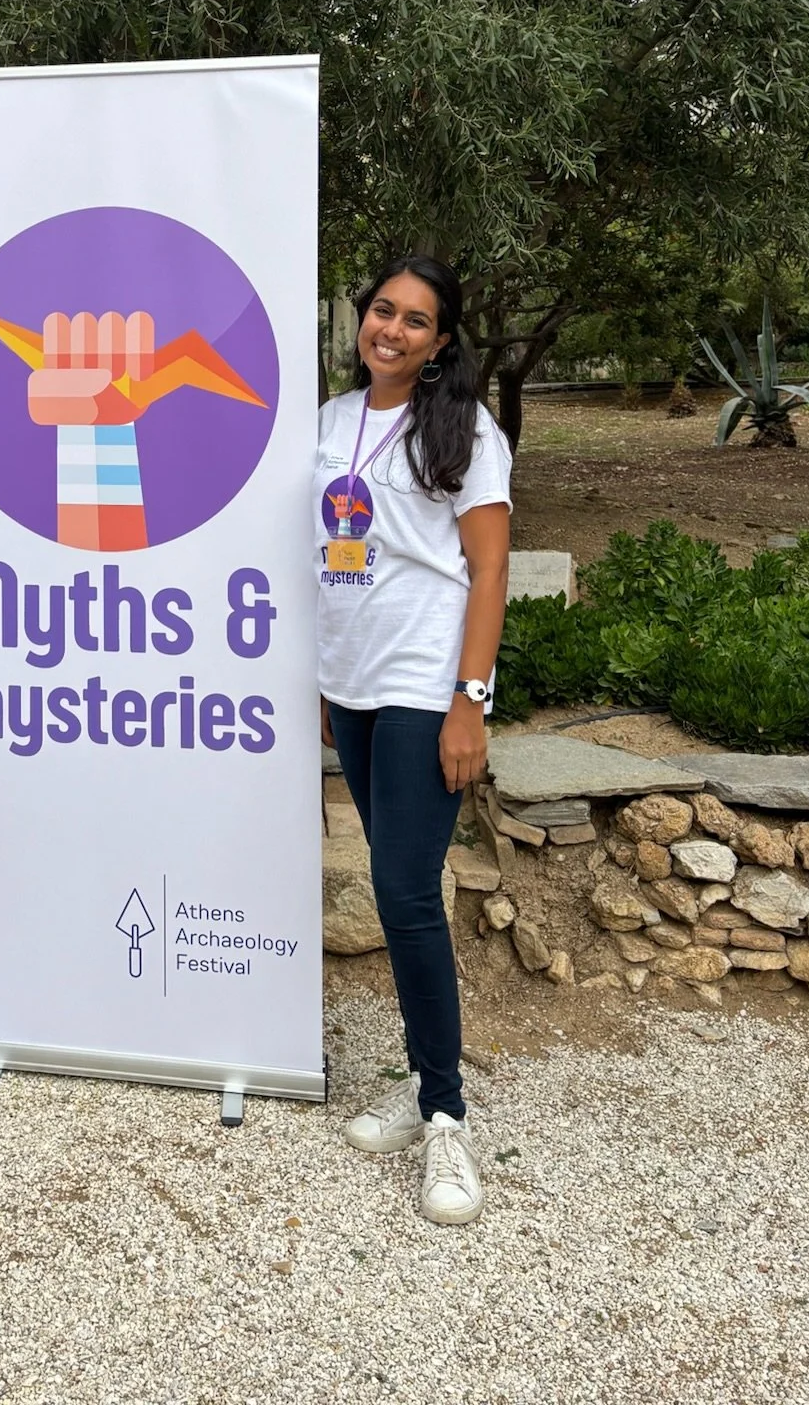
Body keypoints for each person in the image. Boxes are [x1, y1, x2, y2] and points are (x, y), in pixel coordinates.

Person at [315, 256, 511, 1225]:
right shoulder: (327, 424)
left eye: (415, 319)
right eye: (382, 310)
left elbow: (487, 568)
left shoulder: (467, 430)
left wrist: (469, 698)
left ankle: (444, 1114)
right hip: (349, 680)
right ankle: (422, 1080)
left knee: (403, 890)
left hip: (422, 681)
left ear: (441, 341)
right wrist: (321, 678)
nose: (391, 328)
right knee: (397, 895)